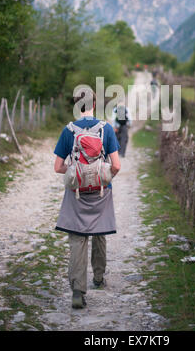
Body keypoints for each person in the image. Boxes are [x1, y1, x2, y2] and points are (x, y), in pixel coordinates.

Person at [53, 89, 121, 309]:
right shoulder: (106, 129)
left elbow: (58, 167)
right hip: (101, 190)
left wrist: (76, 171)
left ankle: (77, 291)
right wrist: (103, 175)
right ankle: (99, 278)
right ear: (94, 103)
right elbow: (117, 165)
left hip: (77, 193)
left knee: (77, 239)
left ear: (76, 104)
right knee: (100, 233)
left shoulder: (68, 131)